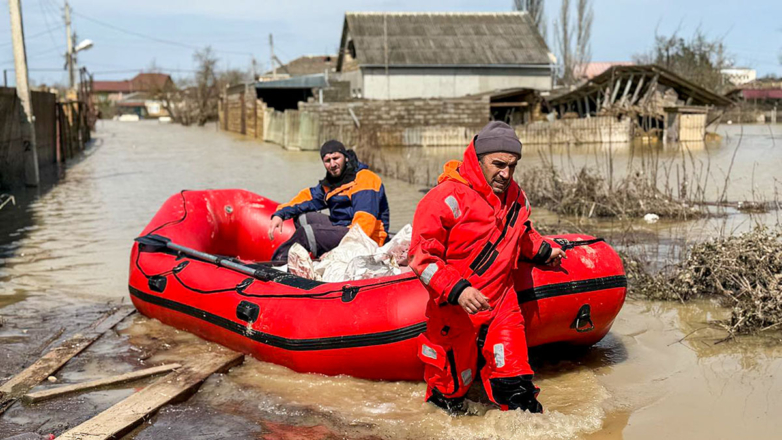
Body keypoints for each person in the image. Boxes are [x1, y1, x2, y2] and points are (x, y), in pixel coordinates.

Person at [408, 121, 564, 414]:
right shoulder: (444, 198)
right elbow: (421, 257)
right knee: (448, 399)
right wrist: (458, 290)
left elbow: (522, 232)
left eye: (512, 166)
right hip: (455, 309)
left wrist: (544, 251)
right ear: (478, 159)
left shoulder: (515, 196)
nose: (506, 174)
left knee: (519, 390)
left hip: (502, 305)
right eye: (499, 164)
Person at [268, 140, 390, 262]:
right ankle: (313, 259)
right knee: (303, 217)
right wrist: (280, 214)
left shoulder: (365, 179)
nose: (332, 164)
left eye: (336, 158)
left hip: (369, 240)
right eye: (327, 161)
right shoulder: (332, 183)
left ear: (346, 158)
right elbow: (306, 197)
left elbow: (364, 226)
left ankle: (277, 265)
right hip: (343, 227)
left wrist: (336, 253)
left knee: (306, 233)